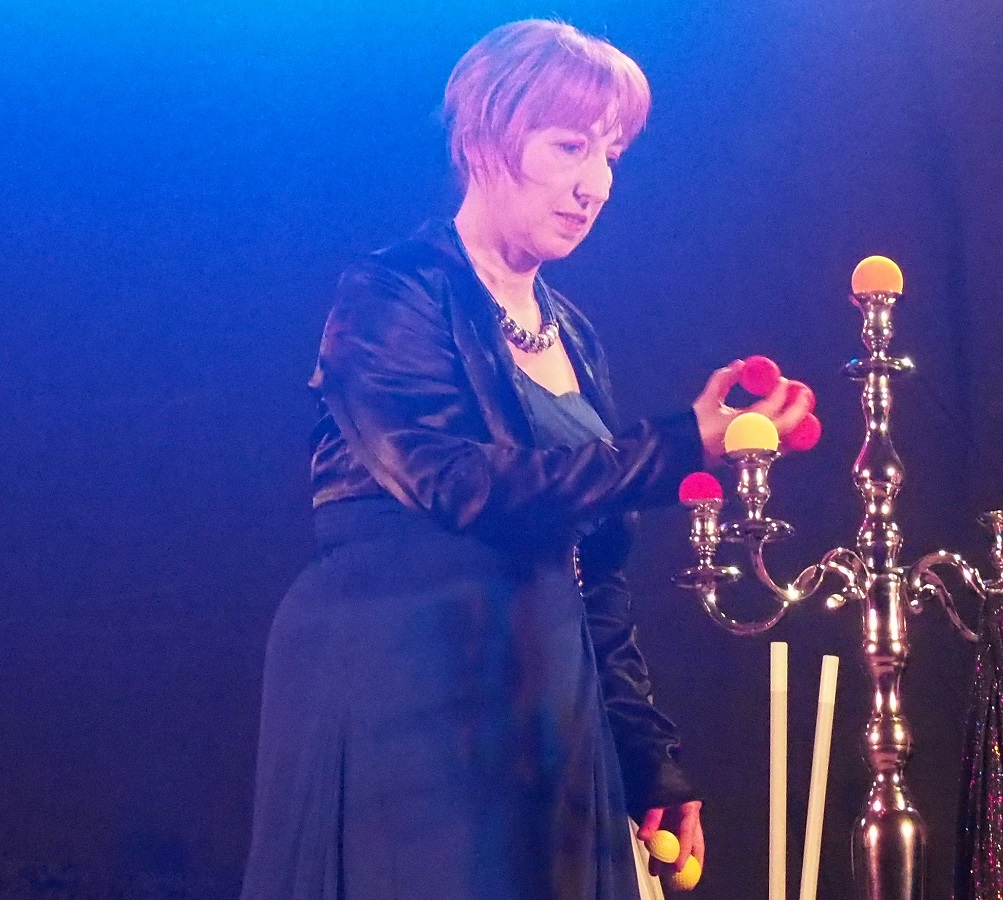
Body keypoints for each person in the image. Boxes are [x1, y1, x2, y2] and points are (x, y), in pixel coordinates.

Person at [240, 19, 810, 900]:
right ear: (483, 139)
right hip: (408, 684)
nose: (596, 184)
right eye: (570, 146)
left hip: (544, 695)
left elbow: (594, 569)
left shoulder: (573, 333)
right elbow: (455, 482)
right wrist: (675, 447)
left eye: (611, 155)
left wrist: (646, 758)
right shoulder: (392, 292)